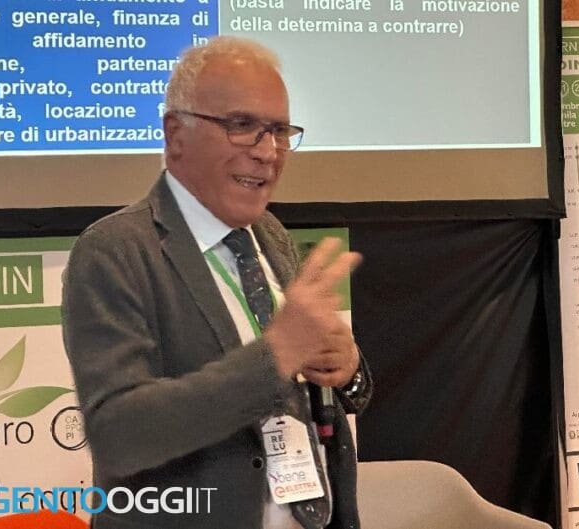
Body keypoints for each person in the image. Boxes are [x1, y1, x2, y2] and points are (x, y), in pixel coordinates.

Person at [61, 36, 372, 529]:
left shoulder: (270, 235)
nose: (268, 152)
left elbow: (320, 396)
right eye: (242, 126)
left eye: (279, 131)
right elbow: (120, 435)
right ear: (175, 134)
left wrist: (346, 366)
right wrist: (276, 356)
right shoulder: (115, 251)